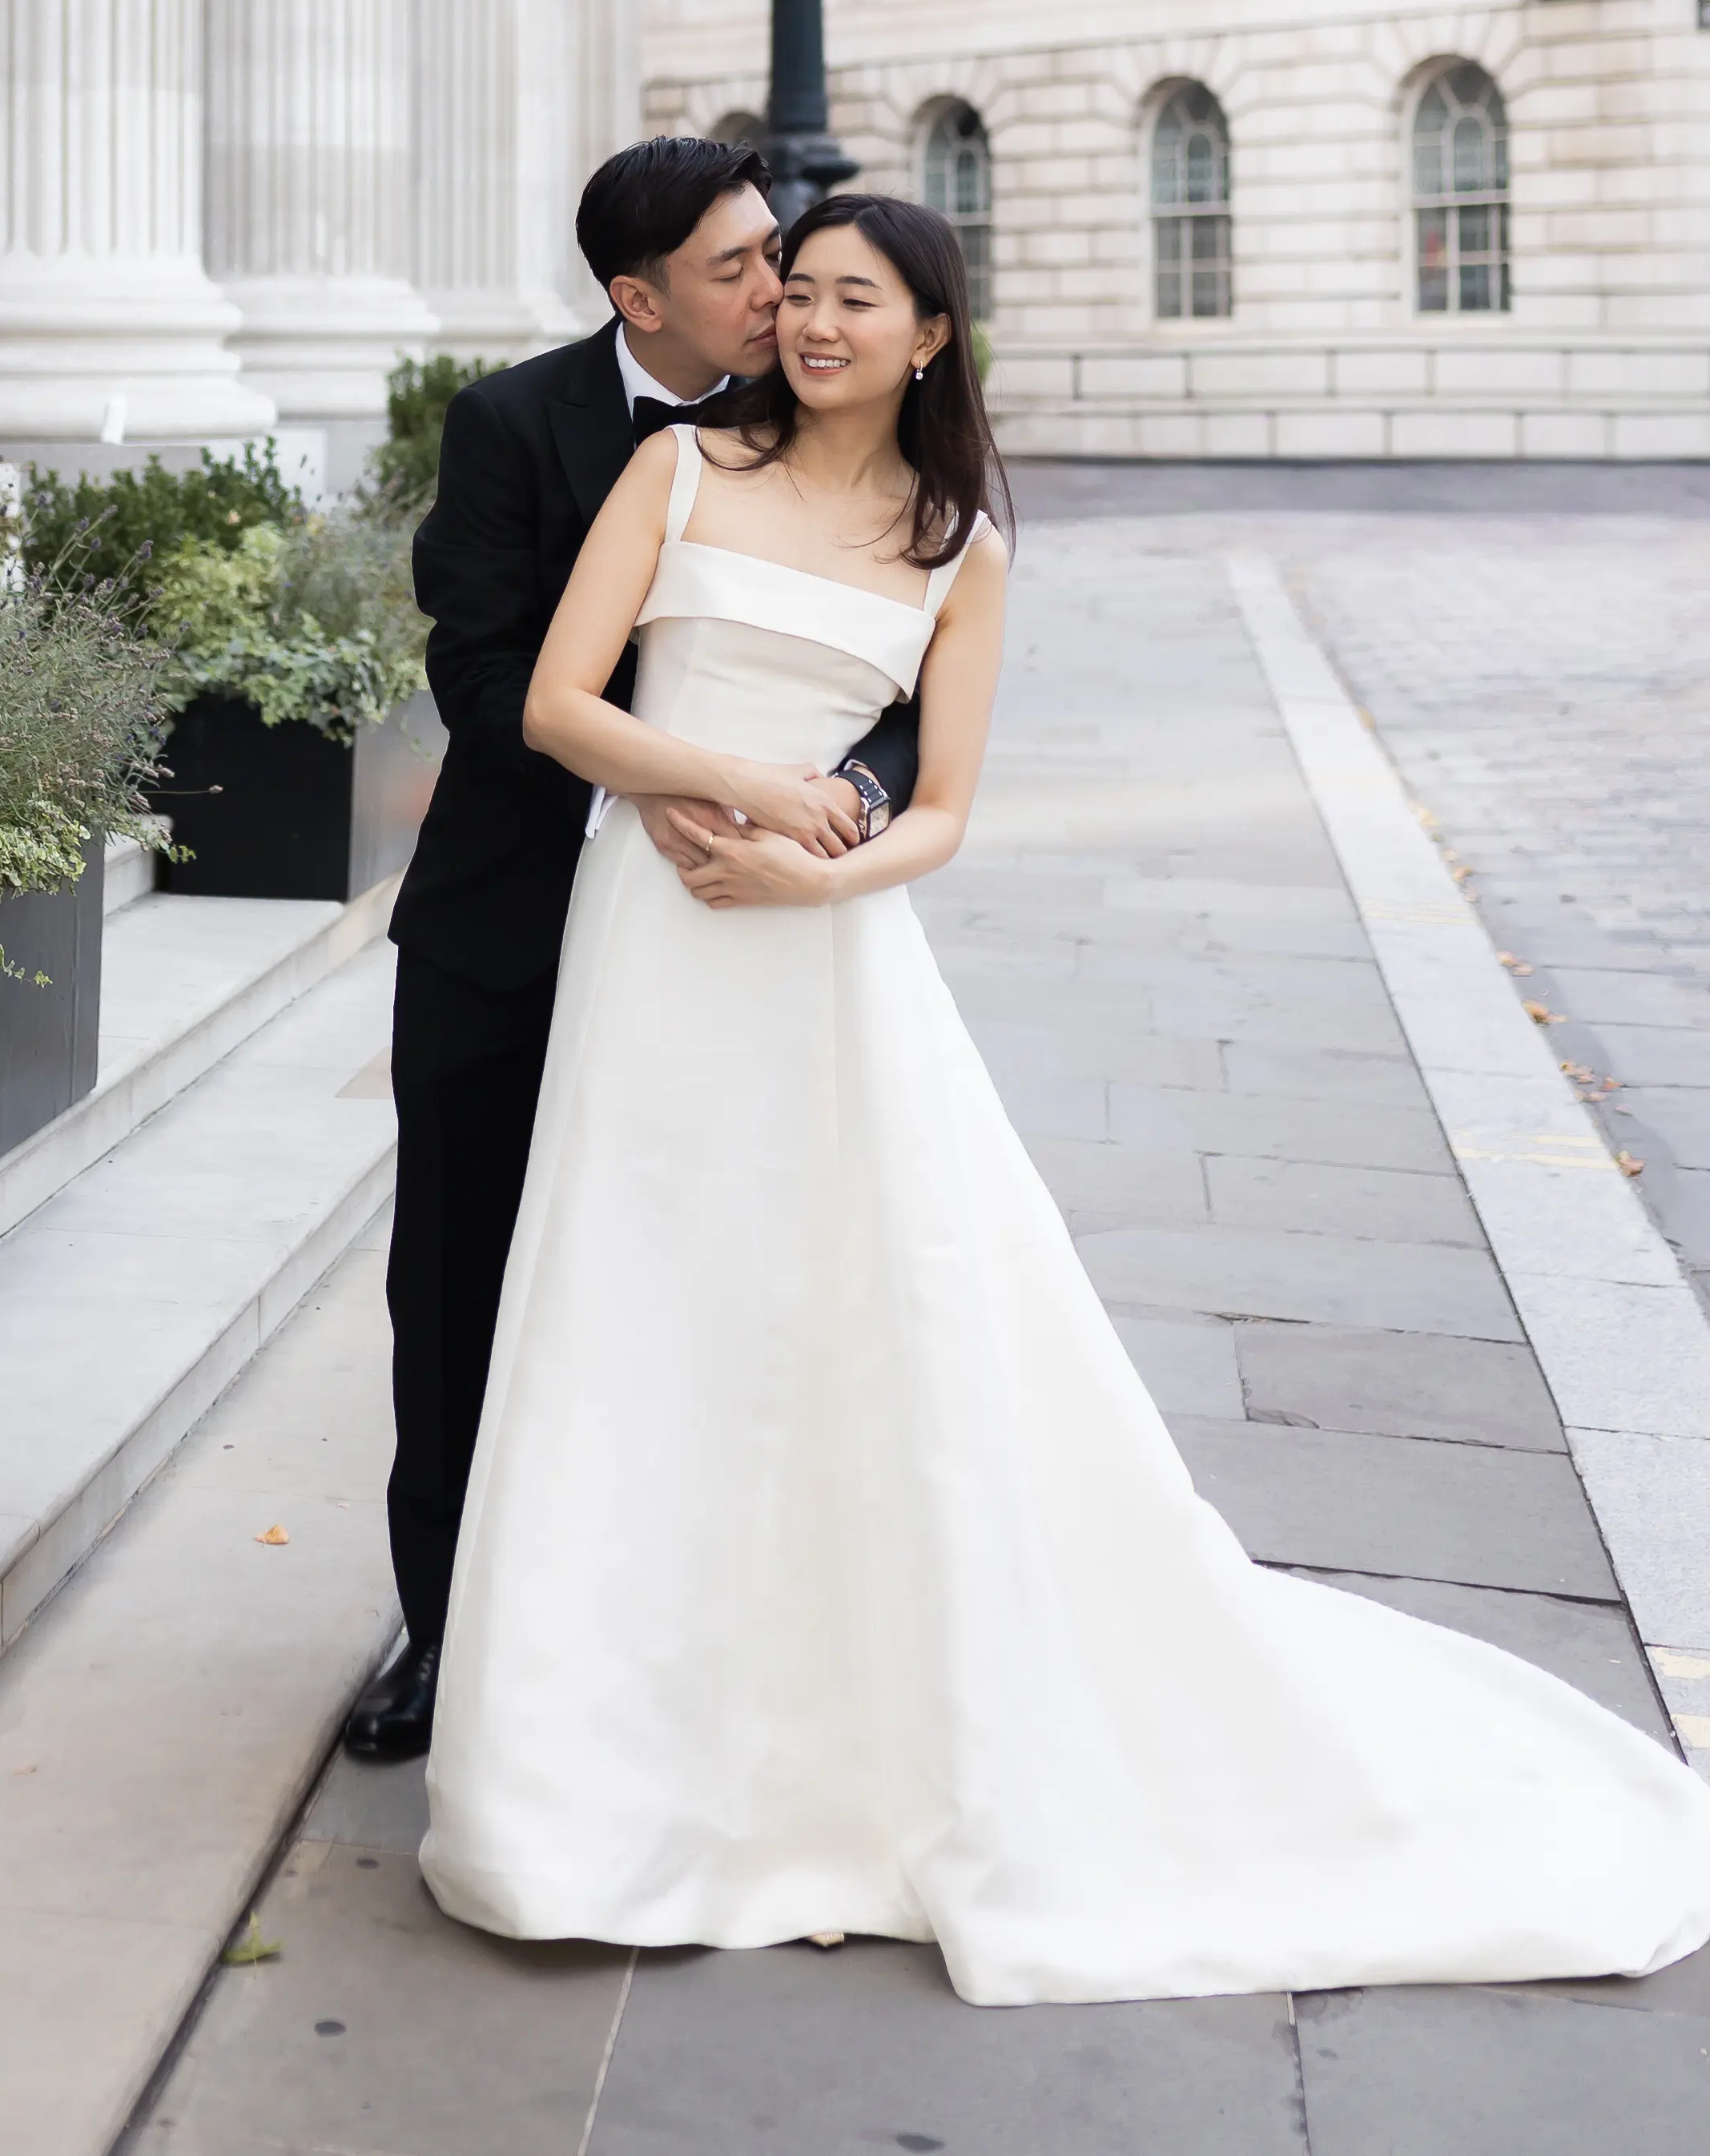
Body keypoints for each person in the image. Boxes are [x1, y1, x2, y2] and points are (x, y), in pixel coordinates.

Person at [418, 191, 1710, 1996]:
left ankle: (833, 1752)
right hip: (652, 933)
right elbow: (560, 703)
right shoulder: (681, 468)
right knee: (632, 1307)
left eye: (854, 299)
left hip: (824, 957)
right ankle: (597, 1774)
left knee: (846, 1322)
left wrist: (815, 874)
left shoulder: (959, 550)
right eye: (797, 292)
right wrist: (746, 790)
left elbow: (945, 810)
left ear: (929, 334)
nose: (811, 321)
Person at [345, 140, 923, 1763]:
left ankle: (678, 1628)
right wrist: (658, 782)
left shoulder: (820, 412)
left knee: (696, 1283)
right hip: (510, 933)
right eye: (738, 268)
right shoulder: (509, 424)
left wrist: (844, 794)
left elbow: (901, 664)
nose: (778, 292)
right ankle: (443, 1635)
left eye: (778, 255)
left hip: (731, 936)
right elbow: (482, 677)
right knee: (458, 1292)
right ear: (636, 296)